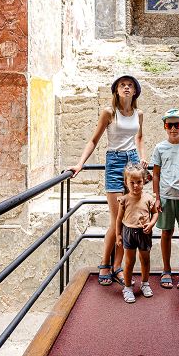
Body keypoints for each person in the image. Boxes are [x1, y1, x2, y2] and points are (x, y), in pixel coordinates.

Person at [67, 75, 146, 286]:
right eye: (122, 85)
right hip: (115, 162)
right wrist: (80, 164)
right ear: (116, 90)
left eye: (130, 85)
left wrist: (142, 156)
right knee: (116, 219)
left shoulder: (138, 114)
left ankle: (118, 266)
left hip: (133, 164)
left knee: (129, 218)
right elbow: (94, 139)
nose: (126, 88)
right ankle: (104, 263)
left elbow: (138, 138)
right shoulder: (109, 113)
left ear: (135, 91)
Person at [151, 108, 179, 290]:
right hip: (166, 197)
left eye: (177, 125)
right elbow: (155, 174)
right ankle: (167, 270)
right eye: (169, 125)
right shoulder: (160, 148)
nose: (173, 128)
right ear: (164, 127)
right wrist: (157, 197)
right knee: (166, 233)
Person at [115, 164, 158, 303]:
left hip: (144, 232)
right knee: (129, 262)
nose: (135, 186)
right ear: (126, 182)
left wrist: (151, 224)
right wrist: (118, 234)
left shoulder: (148, 198)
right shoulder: (124, 200)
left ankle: (145, 283)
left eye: (139, 182)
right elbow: (119, 219)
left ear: (144, 180)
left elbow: (156, 214)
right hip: (128, 232)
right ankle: (127, 287)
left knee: (145, 260)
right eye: (131, 183)